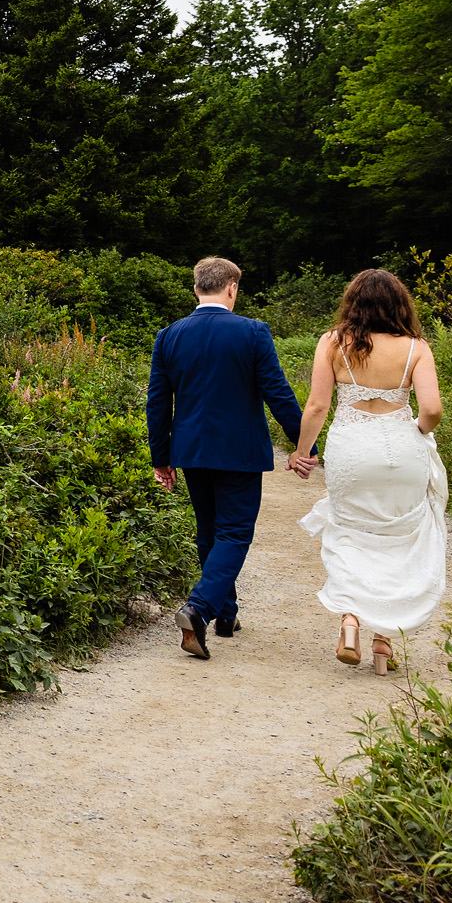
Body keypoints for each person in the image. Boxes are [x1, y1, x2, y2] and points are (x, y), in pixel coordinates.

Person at [146, 256, 306, 660]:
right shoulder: (252, 332)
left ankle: (226, 614)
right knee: (234, 533)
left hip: (191, 451)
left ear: (196, 289)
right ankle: (199, 608)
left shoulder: (169, 336)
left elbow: (158, 403)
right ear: (231, 288)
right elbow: (278, 392)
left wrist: (160, 458)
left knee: (209, 531)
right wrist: (304, 445)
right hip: (239, 452)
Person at [288, 270, 445, 676]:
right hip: (401, 449)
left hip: (351, 448)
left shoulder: (334, 342)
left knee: (350, 532)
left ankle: (351, 622)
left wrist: (302, 453)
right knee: (399, 538)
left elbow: (317, 406)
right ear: (399, 304)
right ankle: (383, 642)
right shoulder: (416, 348)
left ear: (352, 302)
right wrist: (415, 433)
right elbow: (431, 411)